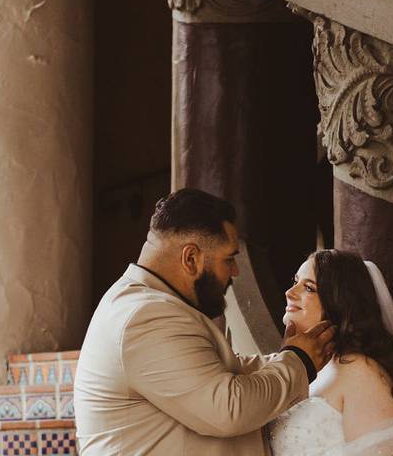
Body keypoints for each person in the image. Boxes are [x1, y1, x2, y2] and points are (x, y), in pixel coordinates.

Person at [74, 188, 336, 455]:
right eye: (229, 259)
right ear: (191, 258)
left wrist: (298, 354)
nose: (235, 271)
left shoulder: (148, 304)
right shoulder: (144, 315)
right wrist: (298, 361)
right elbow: (229, 409)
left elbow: (221, 368)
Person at [268, 249, 393, 455]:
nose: (289, 292)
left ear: (339, 301)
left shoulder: (361, 370)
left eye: (309, 288)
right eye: (295, 282)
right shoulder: (313, 365)